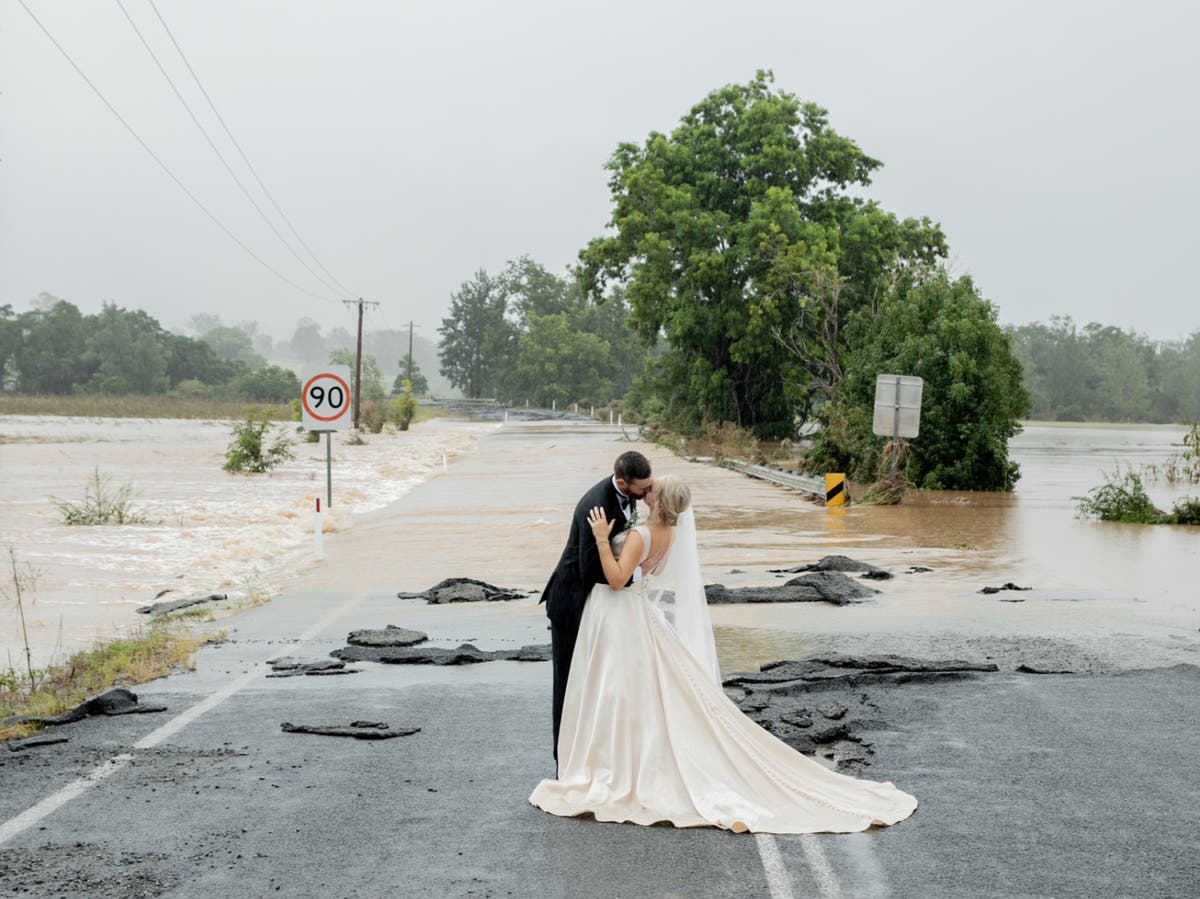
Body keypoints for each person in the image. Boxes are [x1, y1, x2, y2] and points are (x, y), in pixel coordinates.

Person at [530, 474, 918, 834]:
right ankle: (627, 756)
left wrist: (600, 537)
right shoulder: (671, 532)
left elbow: (617, 581)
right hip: (641, 614)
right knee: (646, 692)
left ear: (659, 502)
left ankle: (615, 764)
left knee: (619, 691)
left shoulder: (642, 535)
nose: (645, 493)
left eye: (652, 490)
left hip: (625, 615)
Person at [540, 450, 655, 766]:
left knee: (595, 681)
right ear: (622, 481)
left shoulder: (628, 495)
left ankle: (594, 751)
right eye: (643, 490)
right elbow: (590, 569)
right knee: (567, 683)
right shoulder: (597, 504)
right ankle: (563, 759)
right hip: (571, 602)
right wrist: (634, 573)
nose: (649, 494)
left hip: (600, 606)